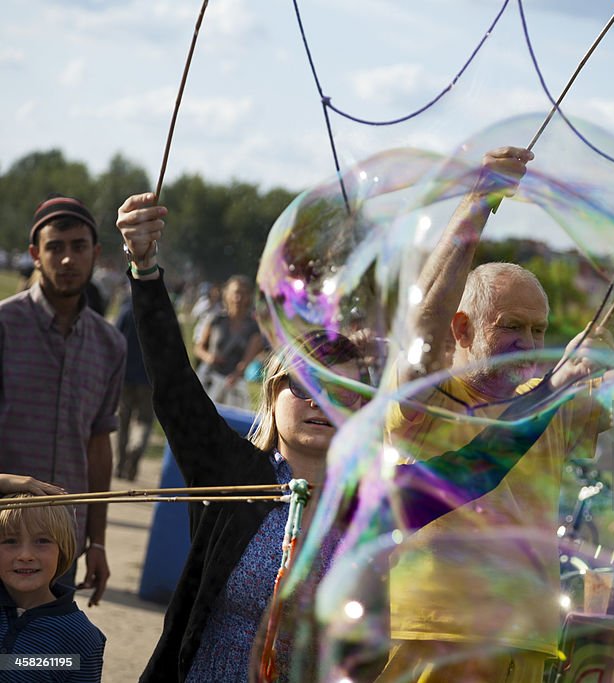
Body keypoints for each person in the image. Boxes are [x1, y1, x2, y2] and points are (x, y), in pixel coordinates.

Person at [116, 192, 576, 682]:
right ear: (274, 395)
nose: (322, 402)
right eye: (307, 385)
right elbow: (172, 382)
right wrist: (145, 270)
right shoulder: (231, 475)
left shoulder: (371, 500)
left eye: (342, 391)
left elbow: (479, 465)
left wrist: (552, 389)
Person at [380, 146, 614, 680]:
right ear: (462, 330)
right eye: (511, 325)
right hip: (441, 636)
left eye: (538, 330)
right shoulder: (426, 396)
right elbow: (424, 323)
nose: (530, 343)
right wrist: (477, 202)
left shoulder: (552, 398)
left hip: (528, 640)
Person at [0, 195, 124, 605]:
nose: (67, 259)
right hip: (3, 533)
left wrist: (99, 542)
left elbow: (98, 444)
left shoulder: (110, 344)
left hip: (61, 541)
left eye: (78, 247)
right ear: (36, 254)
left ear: (96, 254)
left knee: (50, 660)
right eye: (55, 247)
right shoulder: (4, 326)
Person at [0, 493, 106, 681]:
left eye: (42, 541)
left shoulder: (80, 638)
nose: (26, 555)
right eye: (10, 541)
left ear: (63, 550)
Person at [194, 274, 264, 410]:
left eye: (243, 294)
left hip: (234, 382)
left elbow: (248, 358)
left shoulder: (254, 327)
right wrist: (209, 357)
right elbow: (198, 348)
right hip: (209, 377)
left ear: (249, 297)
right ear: (227, 295)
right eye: (236, 293)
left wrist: (236, 375)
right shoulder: (216, 320)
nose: (238, 298)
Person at [114, 294, 155, 482]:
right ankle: (135, 450)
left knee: (123, 421)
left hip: (125, 377)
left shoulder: (126, 312)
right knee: (145, 422)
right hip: (149, 380)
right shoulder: (162, 316)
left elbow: (114, 341)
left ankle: (120, 463)